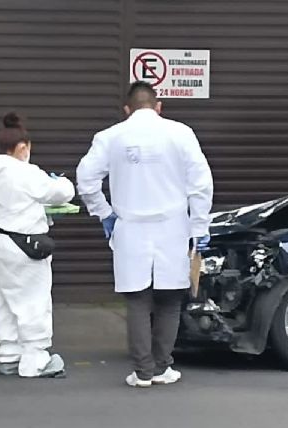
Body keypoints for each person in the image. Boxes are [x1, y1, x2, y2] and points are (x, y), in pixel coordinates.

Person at [76, 81, 214, 388]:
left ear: (127, 110)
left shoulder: (110, 137)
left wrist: (104, 213)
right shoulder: (181, 133)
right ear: (158, 106)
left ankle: (142, 371)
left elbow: (86, 180)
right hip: (172, 227)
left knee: (138, 299)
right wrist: (199, 227)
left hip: (130, 227)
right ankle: (163, 366)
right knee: (169, 299)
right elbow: (201, 184)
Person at [0, 113, 74, 377]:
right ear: (22, 147)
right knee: (33, 301)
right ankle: (35, 359)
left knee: (1, 300)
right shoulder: (25, 172)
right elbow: (63, 193)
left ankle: (8, 353)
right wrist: (59, 181)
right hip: (22, 244)